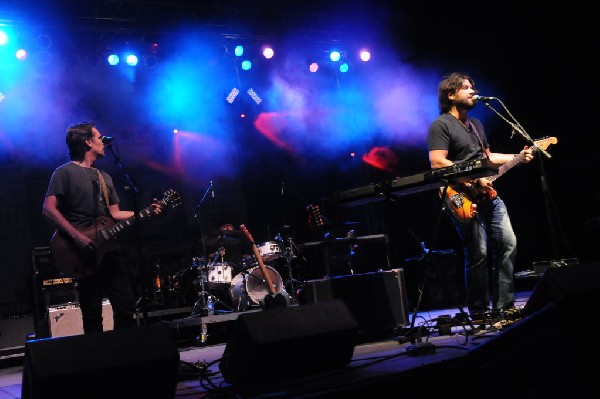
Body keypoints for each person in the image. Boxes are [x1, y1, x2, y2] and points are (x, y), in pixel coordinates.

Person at [427, 72, 535, 319]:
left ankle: (504, 306)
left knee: (508, 244)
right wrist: (471, 178)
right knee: (479, 252)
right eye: (466, 88)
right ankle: (478, 310)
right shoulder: (441, 125)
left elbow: (487, 158)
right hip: (459, 193)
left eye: (472, 87)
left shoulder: (476, 125)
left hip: (487, 193)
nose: (472, 91)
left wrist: (517, 157)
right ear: (451, 94)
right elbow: (437, 162)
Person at [42, 122, 163, 334]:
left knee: (126, 306)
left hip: (109, 249)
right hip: (82, 252)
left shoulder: (104, 177)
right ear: (88, 142)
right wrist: (77, 237)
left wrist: (144, 212)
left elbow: (115, 214)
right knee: (92, 313)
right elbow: (49, 210)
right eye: (99, 137)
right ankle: (98, 359)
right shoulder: (64, 173)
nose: (103, 142)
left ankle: (122, 354)